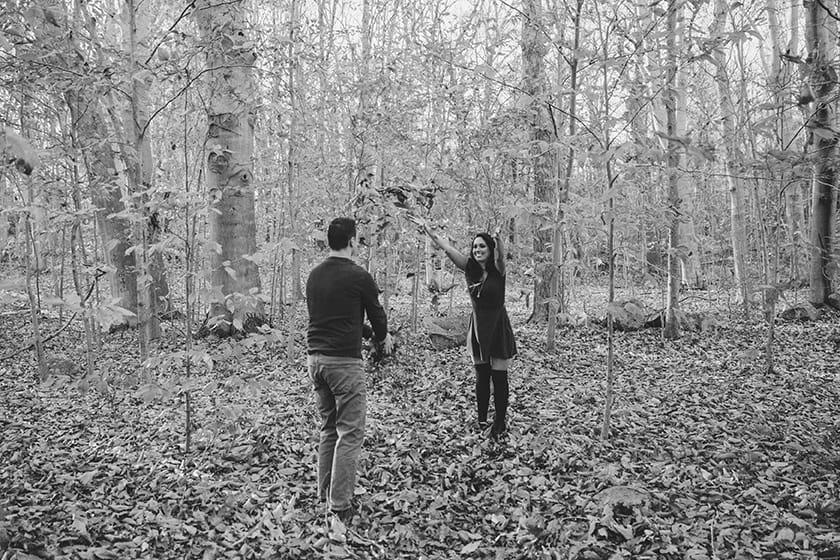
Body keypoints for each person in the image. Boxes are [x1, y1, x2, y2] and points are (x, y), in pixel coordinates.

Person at [306, 217, 393, 523]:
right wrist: (383, 338)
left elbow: (340, 319)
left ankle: (325, 492)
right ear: (353, 241)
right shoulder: (359, 276)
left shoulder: (314, 276)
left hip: (315, 361)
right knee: (351, 431)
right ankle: (340, 504)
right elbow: (377, 316)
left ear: (330, 241)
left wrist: (367, 335)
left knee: (329, 427)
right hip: (343, 363)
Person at [421, 223, 516, 438]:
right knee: (482, 375)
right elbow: (447, 248)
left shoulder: (498, 270)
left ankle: (500, 420)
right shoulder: (470, 269)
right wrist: (431, 232)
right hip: (478, 326)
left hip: (498, 325)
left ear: (490, 249)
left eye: (482, 247)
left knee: (499, 375)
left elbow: (502, 258)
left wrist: (499, 239)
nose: (478, 250)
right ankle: (482, 418)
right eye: (475, 247)